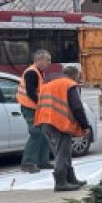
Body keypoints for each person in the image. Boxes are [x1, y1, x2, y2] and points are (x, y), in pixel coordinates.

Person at [34, 63, 90, 192]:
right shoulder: (69, 84)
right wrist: (85, 125)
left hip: (44, 121)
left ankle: (71, 179)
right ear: (74, 75)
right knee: (62, 153)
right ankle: (61, 183)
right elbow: (77, 107)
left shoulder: (48, 84)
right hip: (59, 123)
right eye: (78, 76)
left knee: (62, 152)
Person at [18, 49, 54, 173]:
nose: (49, 63)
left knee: (44, 133)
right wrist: (41, 104)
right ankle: (28, 163)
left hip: (36, 108)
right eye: (47, 60)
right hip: (30, 108)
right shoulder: (32, 72)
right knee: (36, 133)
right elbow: (31, 92)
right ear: (39, 60)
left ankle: (43, 161)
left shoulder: (38, 72)